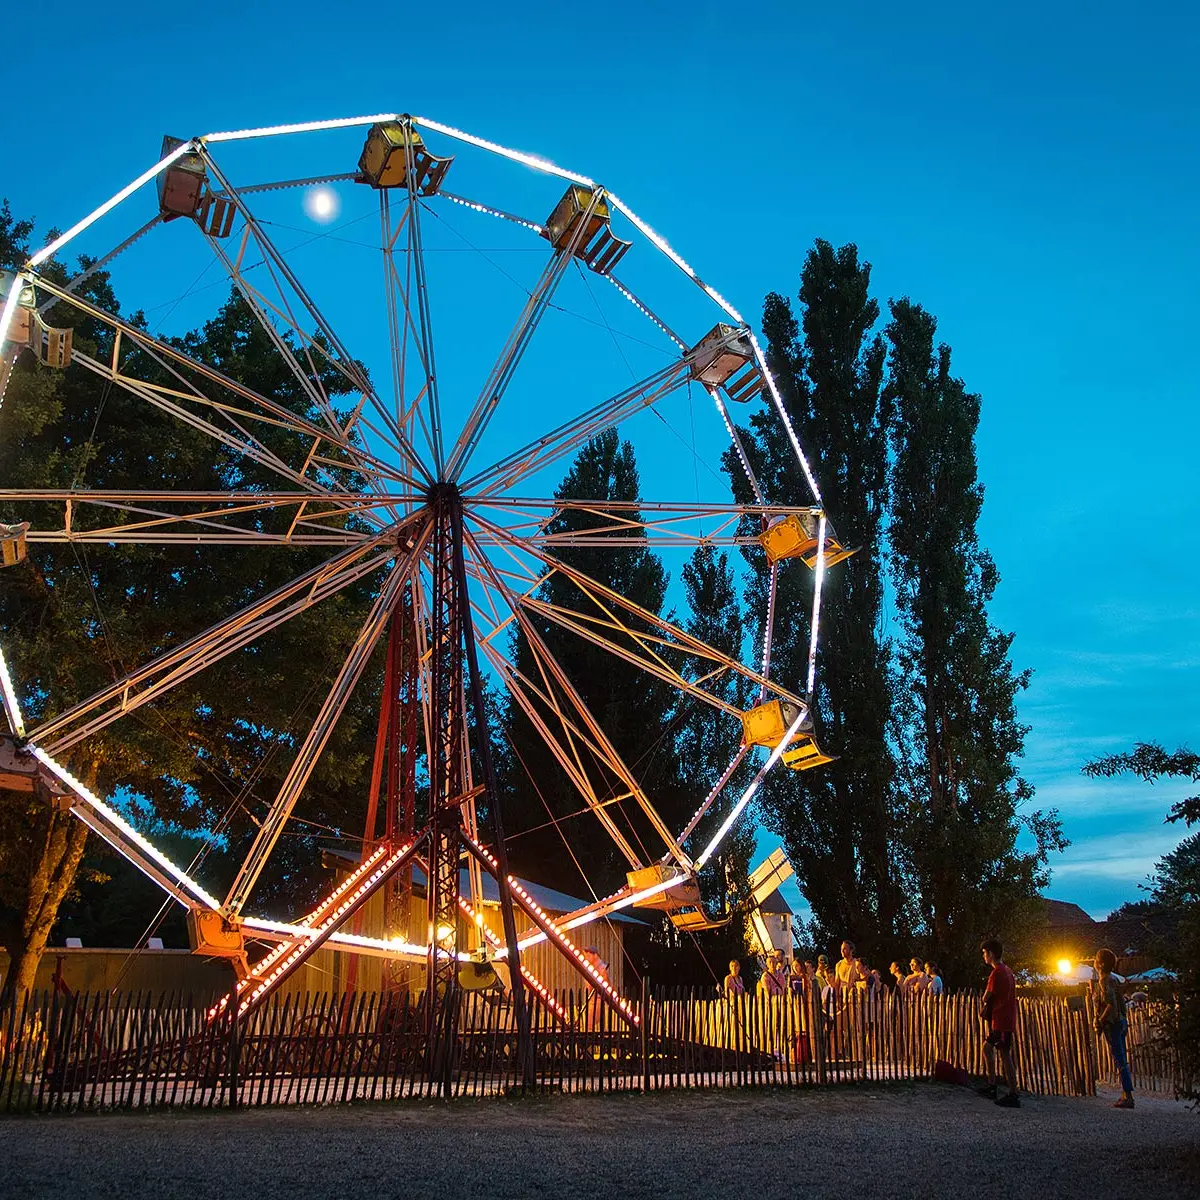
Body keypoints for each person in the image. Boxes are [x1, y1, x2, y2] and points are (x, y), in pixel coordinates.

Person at [978, 937, 1019, 1108]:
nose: (983, 957)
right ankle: (992, 1084)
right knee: (987, 1049)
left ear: (991, 954)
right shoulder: (1008, 971)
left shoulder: (997, 973)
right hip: (1004, 1017)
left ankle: (1013, 1094)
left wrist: (985, 999)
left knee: (1005, 1054)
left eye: (984, 953)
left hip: (1001, 1019)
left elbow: (987, 996)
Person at [1092, 948, 1134, 1109]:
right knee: (1122, 1057)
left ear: (1101, 964)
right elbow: (1121, 1003)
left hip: (1113, 1024)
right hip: (1121, 1022)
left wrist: (1101, 1021)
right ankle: (1126, 1093)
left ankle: (1127, 1094)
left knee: (1120, 1059)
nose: (1094, 963)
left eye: (1096, 960)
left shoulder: (1105, 981)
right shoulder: (1113, 979)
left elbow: (1111, 1004)